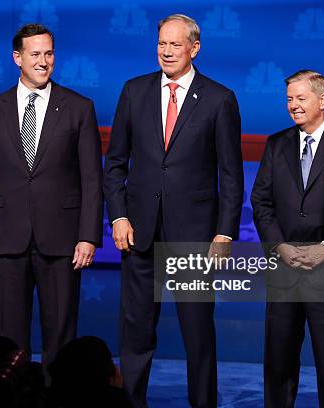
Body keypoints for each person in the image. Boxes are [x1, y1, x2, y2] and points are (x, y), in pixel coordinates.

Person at [103, 14, 244, 408]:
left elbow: (230, 174)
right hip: (139, 233)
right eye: (161, 43)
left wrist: (224, 232)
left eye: (175, 45)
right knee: (135, 332)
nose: (166, 51)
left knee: (197, 335)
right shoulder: (134, 91)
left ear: (194, 49)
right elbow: (115, 163)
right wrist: (118, 215)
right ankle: (131, 402)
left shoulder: (219, 98)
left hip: (194, 237)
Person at [0, 24, 103, 369]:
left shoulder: (79, 107)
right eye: (35, 54)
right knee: (8, 340)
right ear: (17, 58)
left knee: (61, 339)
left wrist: (88, 236)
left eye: (49, 53)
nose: (44, 61)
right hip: (7, 239)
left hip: (63, 241)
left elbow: (92, 179)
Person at [250, 70, 324, 407]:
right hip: (284, 268)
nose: (293, 106)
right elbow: (260, 201)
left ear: (323, 99)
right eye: (289, 99)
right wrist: (279, 246)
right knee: (278, 363)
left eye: (300, 98)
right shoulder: (276, 144)